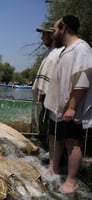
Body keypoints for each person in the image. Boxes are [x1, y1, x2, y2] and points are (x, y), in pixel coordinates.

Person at [44, 15, 92, 194]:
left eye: (56, 29)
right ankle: (54, 168)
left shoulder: (82, 48)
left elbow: (82, 81)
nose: (53, 33)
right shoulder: (66, 49)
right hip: (60, 106)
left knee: (72, 141)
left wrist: (72, 106)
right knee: (59, 138)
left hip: (71, 107)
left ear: (64, 28)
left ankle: (72, 182)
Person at [32, 26, 64, 173]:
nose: (41, 38)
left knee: (55, 129)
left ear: (52, 36)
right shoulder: (49, 52)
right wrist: (41, 91)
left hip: (56, 97)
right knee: (48, 126)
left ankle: (56, 162)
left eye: (44, 35)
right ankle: (52, 157)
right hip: (47, 95)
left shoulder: (59, 52)